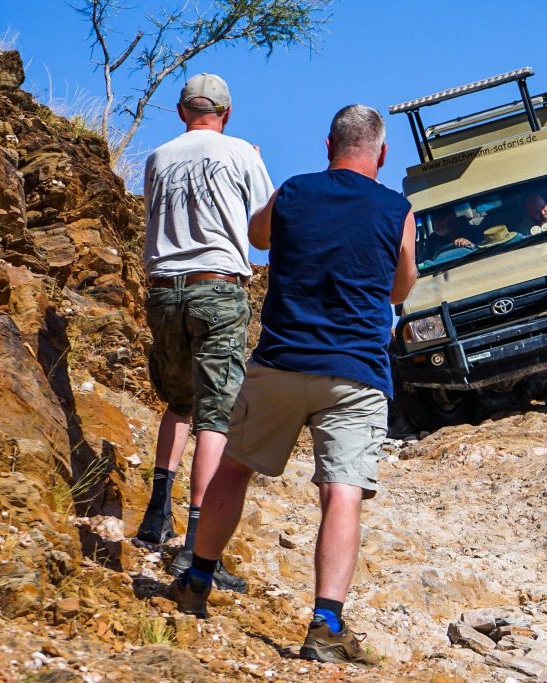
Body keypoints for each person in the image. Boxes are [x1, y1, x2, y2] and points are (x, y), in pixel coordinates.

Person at [167, 104, 418, 666]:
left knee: (235, 466)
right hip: (355, 373)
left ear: (329, 144)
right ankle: (326, 625)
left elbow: (258, 236)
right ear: (381, 153)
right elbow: (401, 289)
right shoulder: (398, 210)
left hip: (281, 361)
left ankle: (197, 579)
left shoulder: (295, 191)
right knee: (342, 492)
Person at [135, 73, 274, 593]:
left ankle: (155, 514)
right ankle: (196, 543)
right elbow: (267, 228)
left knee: (178, 402)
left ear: (181, 112)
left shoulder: (158, 158)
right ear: (226, 113)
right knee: (217, 415)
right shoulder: (240, 152)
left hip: (163, 290)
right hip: (215, 288)